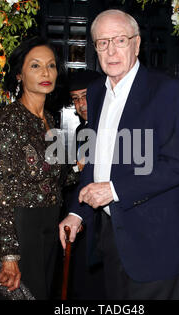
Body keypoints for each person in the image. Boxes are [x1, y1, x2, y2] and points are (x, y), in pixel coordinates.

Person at [59, 9, 179, 300]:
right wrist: (77, 212)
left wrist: (114, 190)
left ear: (136, 44)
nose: (110, 50)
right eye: (102, 42)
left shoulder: (166, 90)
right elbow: (95, 159)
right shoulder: (96, 91)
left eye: (119, 40)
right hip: (113, 238)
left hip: (157, 242)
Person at [0, 36, 76, 300]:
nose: (46, 72)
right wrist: (8, 255)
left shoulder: (51, 119)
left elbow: (58, 178)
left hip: (49, 227)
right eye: (35, 66)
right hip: (22, 229)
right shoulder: (7, 120)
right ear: (20, 74)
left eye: (51, 65)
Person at [66, 69, 106, 299]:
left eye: (85, 96)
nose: (81, 104)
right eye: (75, 98)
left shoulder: (109, 127)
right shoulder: (82, 130)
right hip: (80, 217)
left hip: (103, 222)